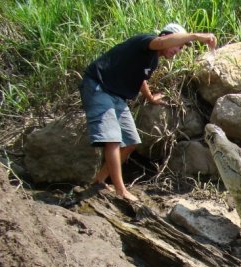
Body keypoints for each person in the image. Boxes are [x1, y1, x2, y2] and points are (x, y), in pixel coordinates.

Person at [79, 23, 216, 201]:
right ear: (167, 37)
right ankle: (121, 190)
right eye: (178, 45)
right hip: (98, 86)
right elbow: (159, 42)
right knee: (112, 139)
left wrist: (150, 97)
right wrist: (197, 36)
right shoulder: (145, 41)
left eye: (182, 48)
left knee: (131, 142)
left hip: (117, 96)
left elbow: (141, 79)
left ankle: (99, 180)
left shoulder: (152, 60)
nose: (179, 50)